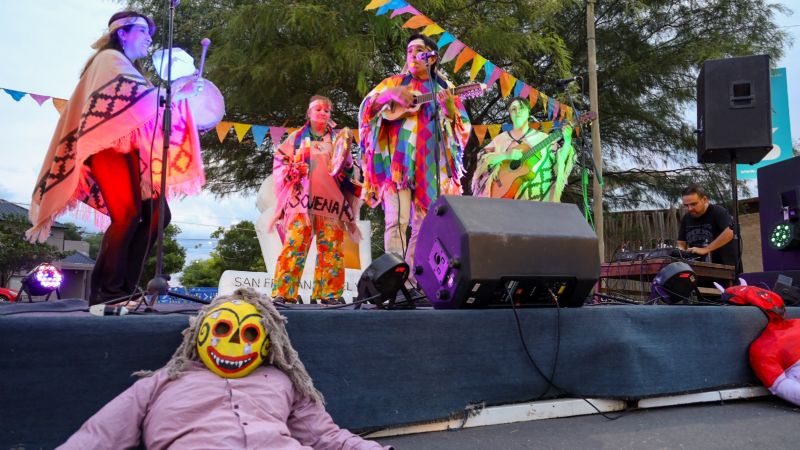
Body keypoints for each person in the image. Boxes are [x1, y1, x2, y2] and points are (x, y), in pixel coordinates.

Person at [57, 288, 393, 449]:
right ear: (200, 331)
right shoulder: (163, 381)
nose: (236, 344)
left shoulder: (283, 381)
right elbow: (97, 437)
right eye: (222, 329)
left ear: (267, 342)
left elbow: (326, 436)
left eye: (249, 334)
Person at [26, 11, 209, 305]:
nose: (150, 38)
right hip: (105, 147)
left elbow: (147, 108)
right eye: (143, 31)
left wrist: (182, 96)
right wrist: (174, 92)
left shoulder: (131, 69)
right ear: (122, 33)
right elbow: (135, 102)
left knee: (158, 216)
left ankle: (123, 288)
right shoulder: (108, 61)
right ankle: (106, 292)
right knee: (126, 215)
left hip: (131, 151)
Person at [359, 33, 471, 281]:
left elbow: (463, 131)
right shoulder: (393, 82)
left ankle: (411, 279)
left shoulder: (443, 89)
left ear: (431, 58)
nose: (412, 55)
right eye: (409, 51)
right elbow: (366, 109)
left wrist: (450, 110)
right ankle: (393, 277)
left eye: (419, 50)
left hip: (429, 167)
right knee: (395, 221)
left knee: (424, 226)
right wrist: (391, 96)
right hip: (398, 165)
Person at [269, 95, 361, 305]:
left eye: (327, 111)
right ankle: (284, 293)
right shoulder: (295, 138)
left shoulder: (338, 140)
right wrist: (292, 170)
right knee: (294, 246)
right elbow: (279, 162)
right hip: (300, 202)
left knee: (331, 249)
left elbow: (348, 167)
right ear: (309, 113)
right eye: (318, 109)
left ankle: (329, 294)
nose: (323, 113)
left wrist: (347, 168)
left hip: (330, 203)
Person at [471, 96, 574, 201]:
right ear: (510, 114)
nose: (517, 111)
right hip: (501, 196)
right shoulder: (501, 139)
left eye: (521, 108)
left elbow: (560, 160)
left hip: (533, 201)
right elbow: (482, 159)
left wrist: (567, 140)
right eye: (513, 109)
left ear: (529, 112)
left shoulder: (542, 138)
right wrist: (505, 155)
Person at [677, 185, 739, 268]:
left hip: (724, 268)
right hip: (698, 270)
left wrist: (706, 249)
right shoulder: (686, 218)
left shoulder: (718, 212)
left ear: (705, 199)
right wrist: (681, 251)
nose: (690, 208)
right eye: (686, 205)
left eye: (693, 204)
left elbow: (730, 232)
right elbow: (681, 242)